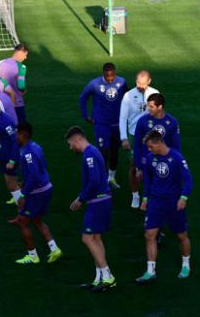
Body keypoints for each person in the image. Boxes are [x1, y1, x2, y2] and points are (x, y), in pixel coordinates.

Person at [135, 130, 193, 283]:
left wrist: (183, 198)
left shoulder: (177, 158)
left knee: (182, 236)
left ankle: (186, 265)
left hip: (173, 203)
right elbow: (147, 180)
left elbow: (188, 180)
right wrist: (145, 198)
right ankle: (150, 271)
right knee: (149, 235)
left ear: (159, 143)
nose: (149, 150)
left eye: (150, 147)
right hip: (155, 203)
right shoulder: (150, 158)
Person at [66, 126, 116, 293]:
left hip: (98, 201)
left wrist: (81, 199)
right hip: (102, 200)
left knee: (87, 239)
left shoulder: (89, 155)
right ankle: (99, 278)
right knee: (95, 238)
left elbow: (94, 181)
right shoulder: (93, 151)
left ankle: (108, 276)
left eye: (70, 144)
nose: (70, 147)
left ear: (76, 140)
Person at [13, 122, 63, 265]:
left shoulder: (28, 152)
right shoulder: (36, 146)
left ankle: (32, 256)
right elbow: (40, 169)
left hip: (37, 192)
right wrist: (25, 181)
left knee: (22, 222)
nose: (15, 136)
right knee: (37, 220)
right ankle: (54, 248)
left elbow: (34, 175)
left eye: (17, 133)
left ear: (23, 134)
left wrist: (23, 193)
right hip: (46, 187)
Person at [79, 62, 127, 189]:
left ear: (115, 73)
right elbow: (83, 97)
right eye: (107, 77)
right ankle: (102, 180)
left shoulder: (122, 82)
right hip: (101, 124)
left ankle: (111, 178)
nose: (110, 79)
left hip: (117, 124)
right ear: (103, 74)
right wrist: (86, 115)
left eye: (112, 76)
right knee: (103, 152)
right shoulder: (94, 84)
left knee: (115, 151)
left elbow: (128, 97)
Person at [118, 70, 159, 208]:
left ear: (149, 81)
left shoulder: (155, 94)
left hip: (151, 136)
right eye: (138, 82)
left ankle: (151, 195)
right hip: (134, 136)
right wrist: (124, 138)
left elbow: (160, 116)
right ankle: (135, 195)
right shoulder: (128, 96)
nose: (140, 86)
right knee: (134, 166)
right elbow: (123, 118)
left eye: (143, 83)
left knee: (153, 165)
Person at [0, 44, 29, 122]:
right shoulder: (22, 67)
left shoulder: (1, 63)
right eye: (25, 55)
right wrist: (24, 90)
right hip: (17, 103)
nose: (25, 58)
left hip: (1, 102)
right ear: (21, 52)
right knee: (20, 129)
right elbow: (21, 86)